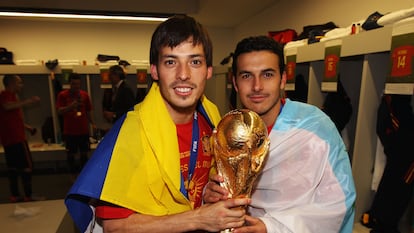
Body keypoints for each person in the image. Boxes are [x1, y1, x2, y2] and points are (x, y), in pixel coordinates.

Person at [65, 15, 250, 233]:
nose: (183, 74)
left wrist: (208, 194)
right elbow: (115, 227)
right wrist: (198, 218)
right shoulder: (132, 133)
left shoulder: (212, 118)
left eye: (195, 62)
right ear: (154, 71)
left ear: (208, 71)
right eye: (170, 62)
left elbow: (194, 183)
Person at [204, 36, 356, 233]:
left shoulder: (315, 129)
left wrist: (271, 227)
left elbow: (339, 201)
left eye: (267, 75)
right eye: (246, 76)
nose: (257, 86)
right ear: (235, 82)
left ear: (283, 79)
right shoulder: (229, 132)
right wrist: (210, 195)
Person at [361, 94, 414, 233]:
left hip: (400, 156)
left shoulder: (394, 103)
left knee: (394, 184)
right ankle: (382, 221)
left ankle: (380, 220)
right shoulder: (394, 103)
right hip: (402, 157)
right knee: (398, 186)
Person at [0, 74, 40, 202]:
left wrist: (27, 128)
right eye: (19, 83)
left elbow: (12, 118)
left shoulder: (12, 97)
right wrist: (28, 101)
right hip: (15, 139)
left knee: (14, 167)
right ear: (12, 83)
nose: (21, 85)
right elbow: (7, 106)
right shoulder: (5, 95)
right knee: (26, 166)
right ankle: (28, 195)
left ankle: (15, 195)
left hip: (11, 138)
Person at [56, 73, 95, 180]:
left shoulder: (85, 95)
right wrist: (71, 106)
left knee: (84, 155)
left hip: (83, 130)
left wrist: (93, 124)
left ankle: (84, 177)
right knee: (71, 156)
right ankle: (73, 177)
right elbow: (59, 111)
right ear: (69, 84)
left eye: (78, 84)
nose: (76, 86)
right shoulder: (62, 95)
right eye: (73, 84)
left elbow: (89, 111)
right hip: (70, 131)